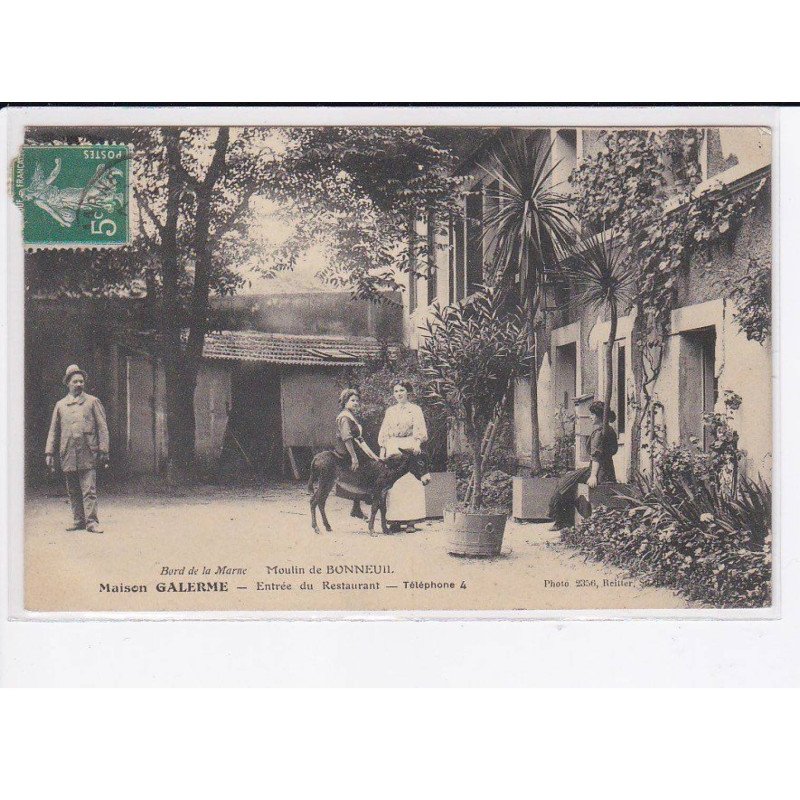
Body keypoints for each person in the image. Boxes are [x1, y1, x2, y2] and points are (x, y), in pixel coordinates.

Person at [45, 364, 110, 533]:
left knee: (89, 489)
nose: (79, 384)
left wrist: (104, 449)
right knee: (73, 490)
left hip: (88, 452)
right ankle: (78, 520)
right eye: (75, 381)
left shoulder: (92, 402)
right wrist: (49, 452)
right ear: (68, 383)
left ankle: (92, 522)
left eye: (81, 381)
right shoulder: (60, 405)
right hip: (67, 452)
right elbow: (54, 429)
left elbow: (102, 427)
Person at [548, 400, 618, 530]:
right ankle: (564, 520)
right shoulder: (610, 430)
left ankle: (562, 521)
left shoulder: (599, 433)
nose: (590, 417)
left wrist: (593, 476)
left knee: (564, 485)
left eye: (592, 414)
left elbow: (597, 456)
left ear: (599, 416)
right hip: (608, 469)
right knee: (568, 480)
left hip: (598, 470)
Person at [378, 381, 428, 530]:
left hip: (409, 444)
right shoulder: (390, 411)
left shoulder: (415, 409)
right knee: (394, 482)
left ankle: (411, 520)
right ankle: (395, 520)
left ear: (408, 392)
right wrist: (383, 449)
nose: (399, 394)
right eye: (396, 391)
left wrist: (417, 444)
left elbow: (420, 429)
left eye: (402, 390)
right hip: (393, 445)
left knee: (409, 481)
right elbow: (385, 431)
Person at [333, 389, 381, 518]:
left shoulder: (351, 415)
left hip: (356, 449)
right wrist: (354, 457)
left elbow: (360, 439)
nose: (355, 403)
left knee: (375, 463)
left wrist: (373, 455)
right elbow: (347, 438)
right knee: (371, 468)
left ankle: (356, 508)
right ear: (344, 402)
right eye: (352, 400)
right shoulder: (344, 417)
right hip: (347, 451)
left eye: (356, 401)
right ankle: (368, 497)